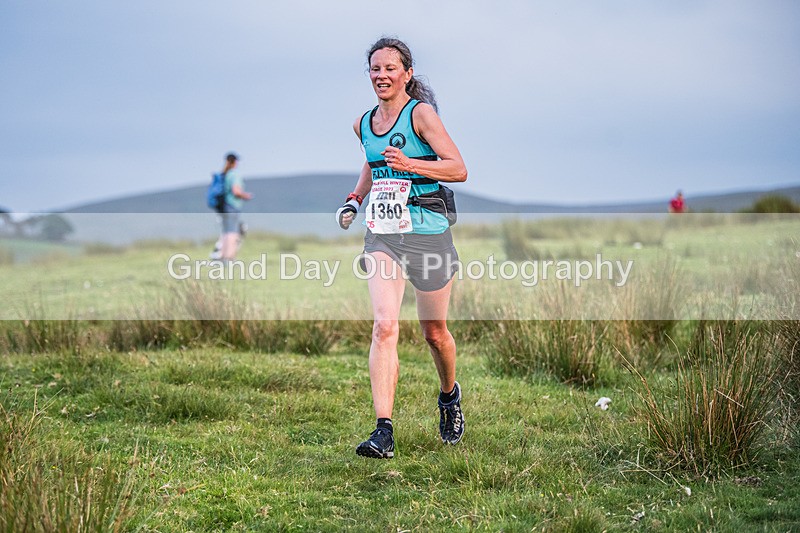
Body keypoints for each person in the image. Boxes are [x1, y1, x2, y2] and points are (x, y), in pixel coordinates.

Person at [336, 37, 468, 459]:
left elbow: (458, 168)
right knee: (384, 326)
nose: (382, 75)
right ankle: (383, 431)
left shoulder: (421, 115)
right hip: (384, 234)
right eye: (375, 69)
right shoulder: (363, 124)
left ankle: (448, 395)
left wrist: (410, 164)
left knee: (434, 333)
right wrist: (355, 200)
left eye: (390, 68)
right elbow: (373, 162)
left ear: (407, 74)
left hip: (428, 232)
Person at [217, 152, 252, 262]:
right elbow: (236, 191)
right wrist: (245, 195)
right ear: (235, 162)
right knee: (233, 233)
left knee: (226, 232)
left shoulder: (225, 174)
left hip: (224, 207)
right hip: (232, 206)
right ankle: (230, 258)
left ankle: (222, 257)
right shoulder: (234, 174)